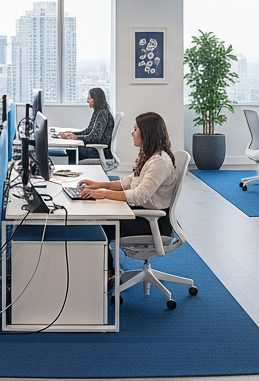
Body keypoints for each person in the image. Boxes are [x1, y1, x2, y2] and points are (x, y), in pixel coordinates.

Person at [77, 112, 181, 273]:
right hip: (146, 213)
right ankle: (107, 270)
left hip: (153, 222)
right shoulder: (151, 156)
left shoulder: (159, 162)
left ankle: (107, 273)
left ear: (147, 133)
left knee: (100, 223)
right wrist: (99, 185)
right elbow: (130, 182)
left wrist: (103, 194)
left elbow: (138, 196)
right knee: (102, 212)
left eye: (135, 129)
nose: (132, 133)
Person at [59, 87, 115, 163]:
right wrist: (72, 134)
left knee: (72, 150)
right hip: (95, 148)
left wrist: (77, 137)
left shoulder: (103, 113)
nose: (87, 100)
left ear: (96, 99)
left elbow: (95, 137)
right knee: (71, 149)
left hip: (100, 151)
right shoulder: (98, 112)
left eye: (89, 98)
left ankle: (73, 172)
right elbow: (88, 131)